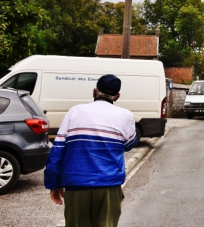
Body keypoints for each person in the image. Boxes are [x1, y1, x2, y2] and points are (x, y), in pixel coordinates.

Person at [45, 74, 137, 227]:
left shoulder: (74, 112)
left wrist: (53, 184)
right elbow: (129, 144)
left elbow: (57, 152)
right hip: (109, 186)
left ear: (94, 91)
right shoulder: (126, 116)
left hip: (77, 186)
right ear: (117, 96)